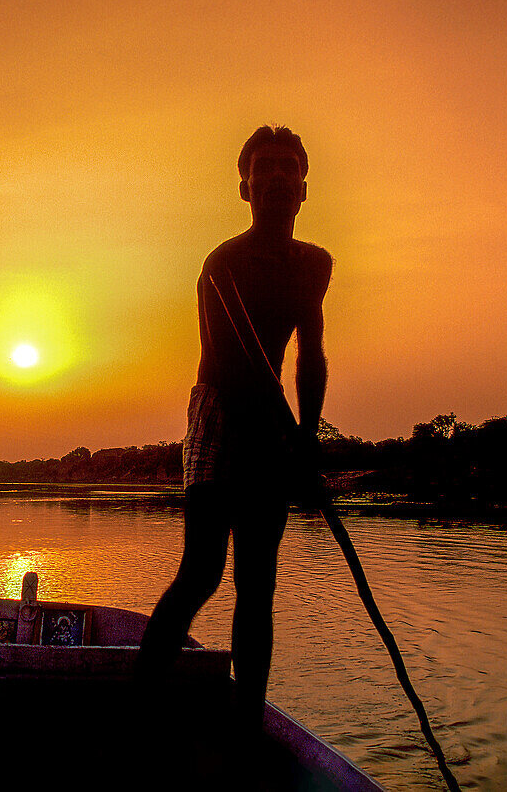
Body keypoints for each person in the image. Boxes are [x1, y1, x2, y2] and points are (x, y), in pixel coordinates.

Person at [136, 125, 332, 729]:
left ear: (303, 189)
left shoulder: (314, 265)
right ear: (244, 188)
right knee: (202, 570)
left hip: (274, 422)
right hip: (220, 410)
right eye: (263, 168)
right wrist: (281, 439)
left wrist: (306, 439)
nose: (276, 176)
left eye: (287, 168)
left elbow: (311, 355)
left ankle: (246, 721)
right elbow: (228, 361)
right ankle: (140, 704)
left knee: (258, 584)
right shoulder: (222, 263)